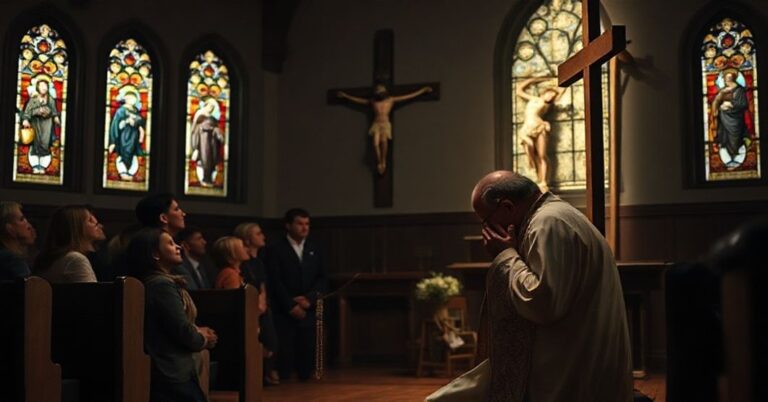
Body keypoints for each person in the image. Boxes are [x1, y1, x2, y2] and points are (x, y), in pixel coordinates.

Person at [471, 171, 632, 402]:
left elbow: (543, 303)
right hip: (578, 363)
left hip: (572, 374)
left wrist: (506, 256)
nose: (486, 231)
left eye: (486, 221)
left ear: (507, 207)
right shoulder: (556, 216)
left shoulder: (547, 224)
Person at [126, 228, 217, 402]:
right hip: (171, 373)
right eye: (170, 243)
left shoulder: (150, 281)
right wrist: (202, 338)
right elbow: (182, 330)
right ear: (155, 254)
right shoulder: (161, 285)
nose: (178, 247)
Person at [266, 208, 327, 381]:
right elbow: (274, 280)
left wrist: (310, 299)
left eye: (307, 224)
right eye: (300, 223)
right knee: (285, 351)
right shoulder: (275, 248)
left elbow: (322, 278)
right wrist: (290, 305)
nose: (304, 228)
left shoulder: (314, 247)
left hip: (308, 307)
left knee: (307, 349)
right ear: (288, 225)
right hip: (284, 309)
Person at [337, 84, 432, 174]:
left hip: (385, 123)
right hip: (376, 124)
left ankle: (383, 161)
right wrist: (346, 96)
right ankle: (379, 161)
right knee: (375, 143)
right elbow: (359, 100)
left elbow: (408, 96)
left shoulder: (390, 100)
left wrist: (422, 91)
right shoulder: (373, 101)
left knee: (384, 141)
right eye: (378, 93)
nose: (380, 95)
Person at [234, 222, 279, 385]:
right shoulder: (243, 263)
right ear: (247, 238)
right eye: (258, 234)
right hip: (250, 308)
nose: (263, 236)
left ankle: (265, 372)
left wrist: (263, 302)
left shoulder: (258, 261)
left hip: (262, 306)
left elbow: (262, 285)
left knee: (271, 342)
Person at [515, 77, 565, 192]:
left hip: (539, 126)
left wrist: (557, 81)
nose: (550, 97)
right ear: (545, 92)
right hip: (527, 128)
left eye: (553, 96)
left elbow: (562, 90)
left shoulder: (547, 105)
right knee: (529, 147)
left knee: (542, 156)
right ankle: (536, 176)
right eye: (549, 94)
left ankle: (542, 182)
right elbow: (519, 90)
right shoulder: (533, 99)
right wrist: (539, 79)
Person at [34, 205, 106, 283]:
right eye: (90, 220)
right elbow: (93, 294)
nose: (97, 224)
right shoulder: (75, 259)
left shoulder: (58, 258)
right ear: (76, 228)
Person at [21, 75, 60, 174]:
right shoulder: (33, 99)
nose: (44, 88)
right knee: (35, 143)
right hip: (35, 123)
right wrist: (26, 119)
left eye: (45, 86)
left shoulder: (50, 99)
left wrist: (56, 118)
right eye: (41, 86)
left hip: (47, 124)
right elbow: (27, 111)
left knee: (45, 143)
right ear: (37, 87)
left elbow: (54, 111)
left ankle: (43, 166)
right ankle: (34, 165)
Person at [711, 71, 750, 168]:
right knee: (725, 138)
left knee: (737, 139)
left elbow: (743, 104)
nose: (726, 80)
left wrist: (730, 105)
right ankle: (728, 159)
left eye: (728, 79)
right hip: (724, 119)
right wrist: (717, 108)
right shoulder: (723, 90)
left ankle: (737, 157)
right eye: (725, 78)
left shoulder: (739, 90)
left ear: (732, 79)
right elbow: (716, 101)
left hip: (736, 119)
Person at [108, 87, 145, 180]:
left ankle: (131, 172)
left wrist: (140, 133)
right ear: (125, 99)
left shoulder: (136, 111)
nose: (131, 100)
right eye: (128, 98)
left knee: (133, 154)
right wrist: (112, 142)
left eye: (133, 98)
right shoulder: (120, 111)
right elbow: (115, 124)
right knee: (122, 154)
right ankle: (123, 172)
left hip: (134, 137)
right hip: (123, 137)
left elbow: (140, 123)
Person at [190, 98, 224, 187]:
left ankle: (209, 179)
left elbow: (217, 129)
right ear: (206, 105)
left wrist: (218, 133)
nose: (211, 109)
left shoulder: (213, 119)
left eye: (213, 107)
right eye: (210, 106)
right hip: (202, 142)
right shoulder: (200, 114)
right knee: (204, 159)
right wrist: (195, 147)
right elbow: (194, 130)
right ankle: (204, 178)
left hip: (212, 142)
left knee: (212, 159)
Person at [0, 201, 36, 280]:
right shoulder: (12, 260)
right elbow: (30, 290)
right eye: (22, 219)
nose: (29, 225)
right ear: (9, 229)